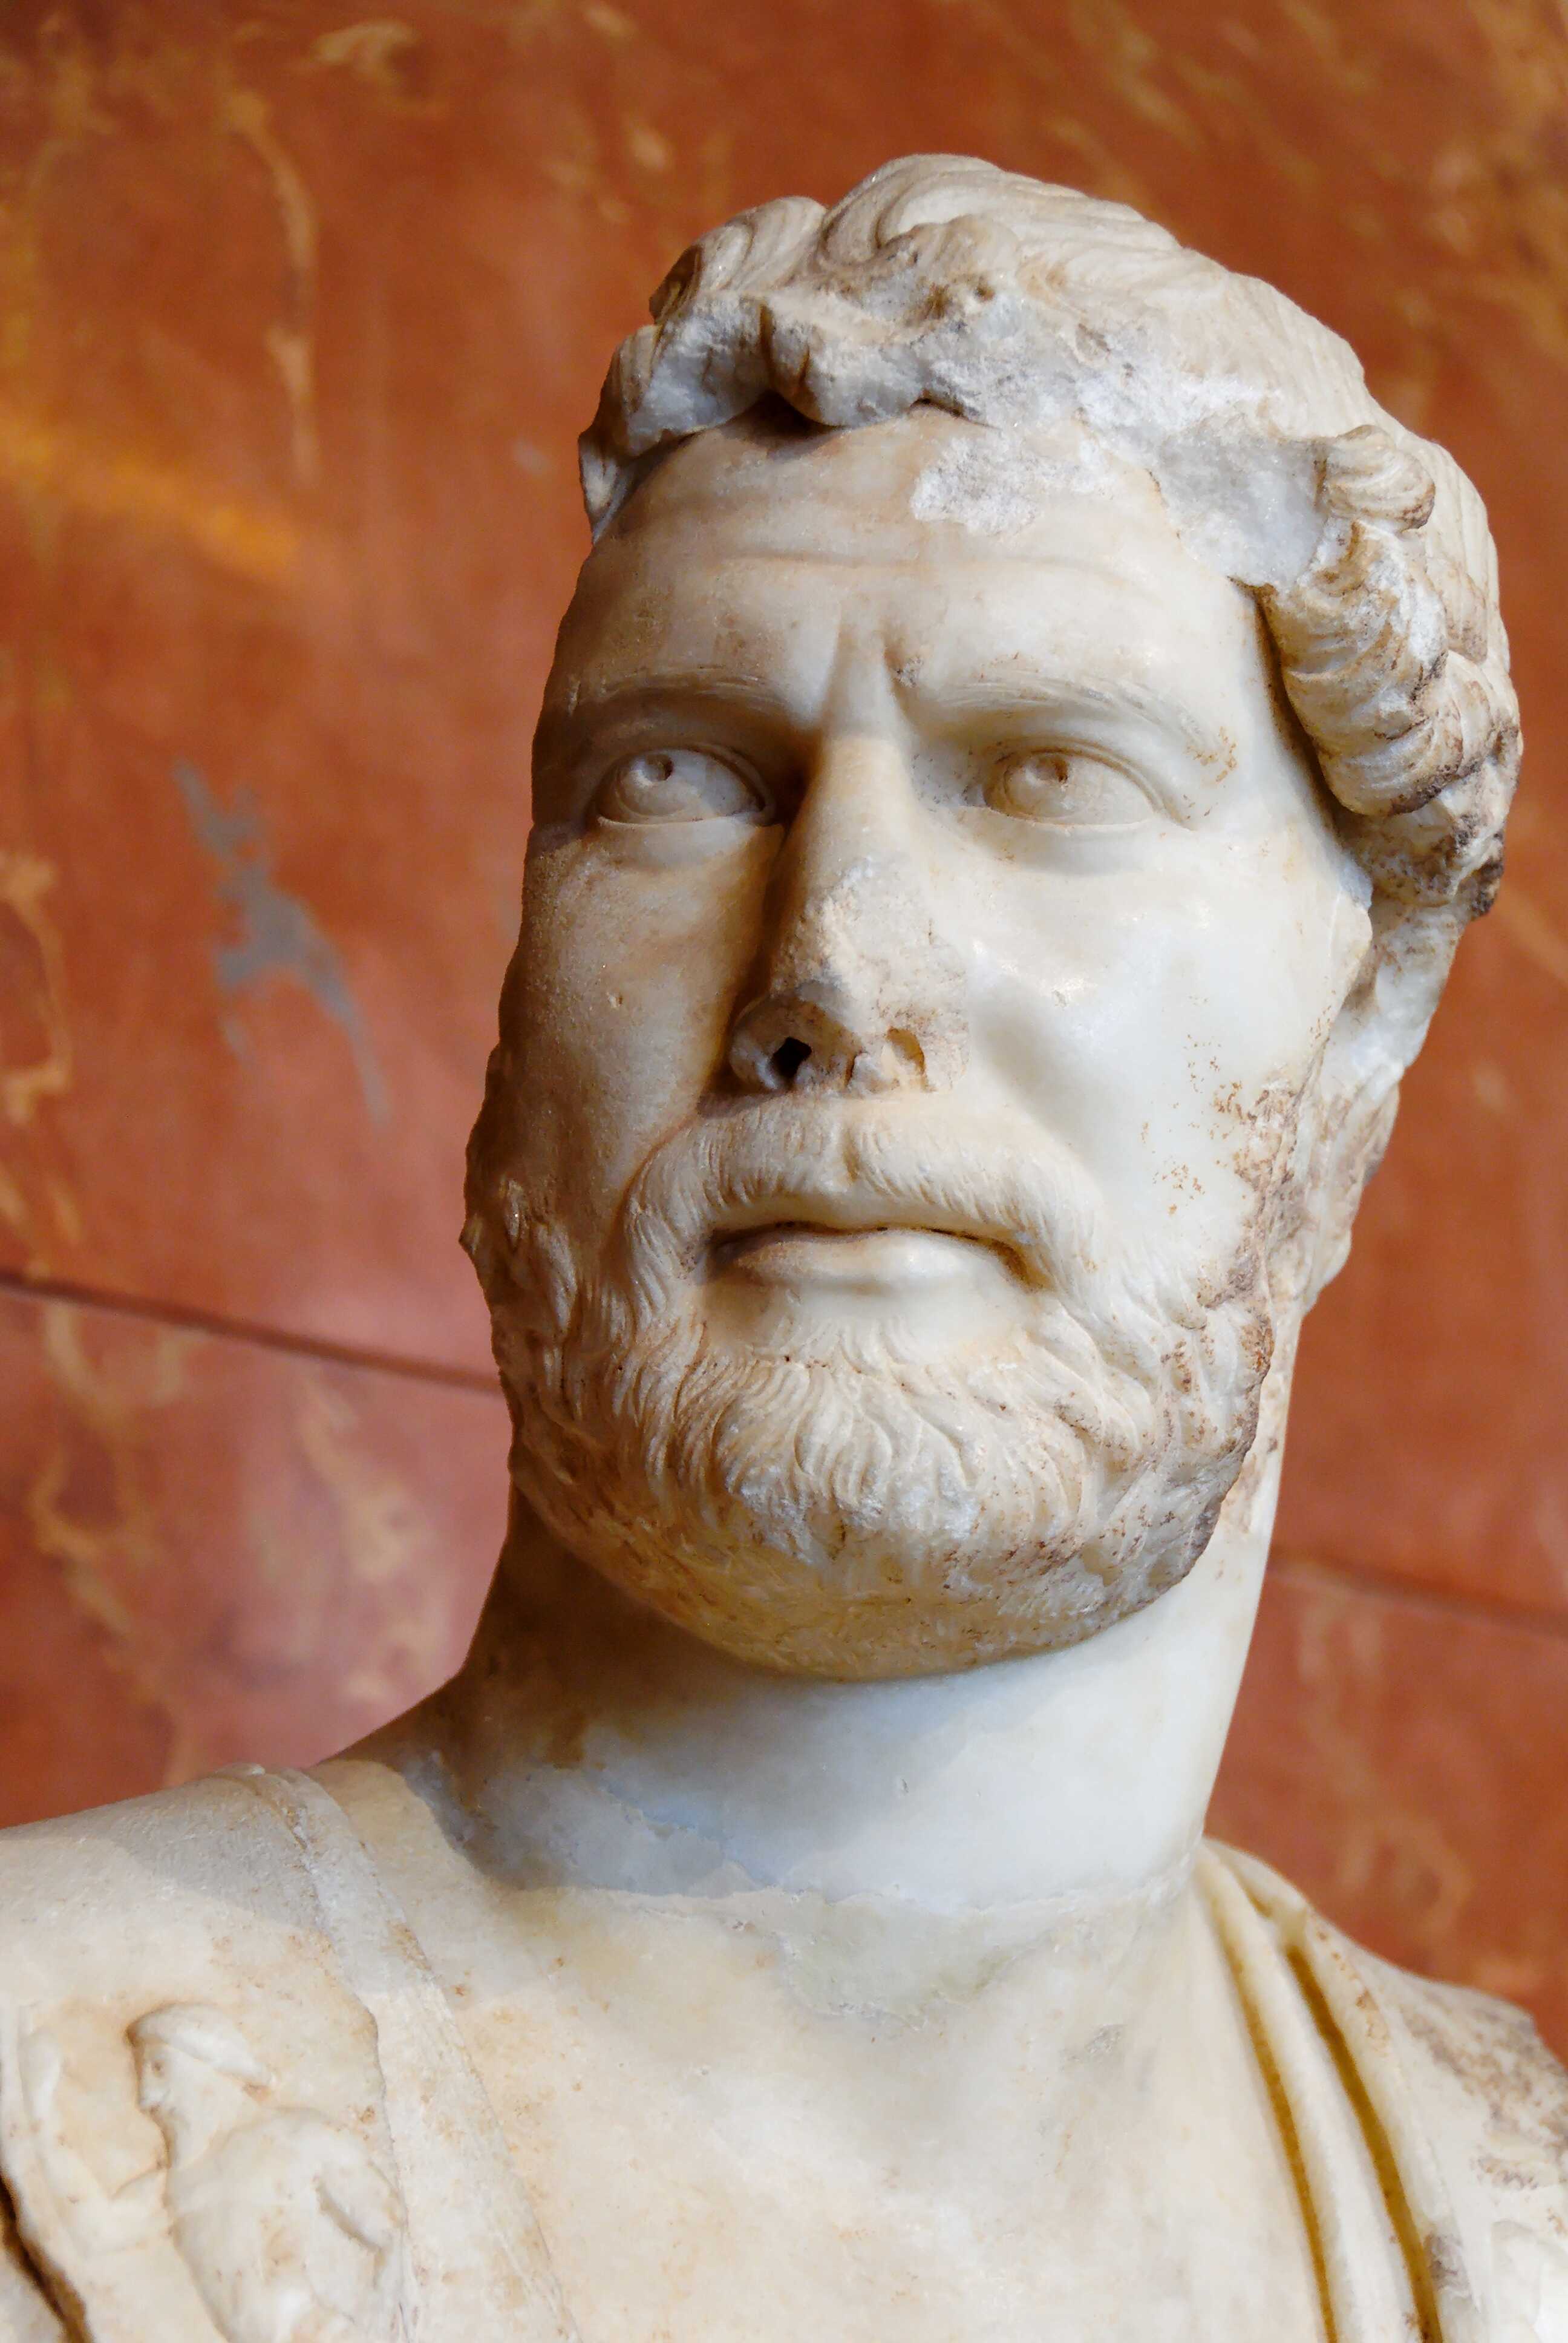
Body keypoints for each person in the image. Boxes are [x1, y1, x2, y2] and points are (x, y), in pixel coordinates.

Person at [2, 156, 1564, 2341]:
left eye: (1047, 778)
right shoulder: (57, 2126)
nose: (828, 966)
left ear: (1368, 1030)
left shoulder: (1502, 2223)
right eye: (680, 779)